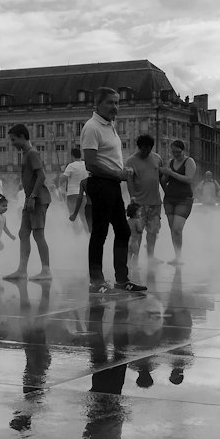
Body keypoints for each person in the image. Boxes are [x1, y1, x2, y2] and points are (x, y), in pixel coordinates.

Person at [80, 87, 146, 295]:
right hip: (100, 184)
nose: (115, 107)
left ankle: (121, 279)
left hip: (112, 184)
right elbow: (90, 164)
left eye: (117, 103)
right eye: (110, 102)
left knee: (123, 231)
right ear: (97, 104)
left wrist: (121, 172)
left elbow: (106, 158)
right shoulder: (92, 127)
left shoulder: (110, 126)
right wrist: (116, 174)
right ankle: (96, 281)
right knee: (100, 232)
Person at [3, 124, 52, 281]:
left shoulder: (31, 153)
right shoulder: (26, 154)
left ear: (22, 136)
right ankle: (22, 270)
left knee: (38, 234)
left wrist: (32, 197)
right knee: (23, 233)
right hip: (29, 198)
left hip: (37, 199)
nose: (12, 143)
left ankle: (46, 270)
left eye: (13, 139)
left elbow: (42, 176)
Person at [124, 133, 164, 266]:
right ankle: (134, 258)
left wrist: (168, 192)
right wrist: (132, 196)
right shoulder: (131, 161)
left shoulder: (157, 158)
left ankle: (150, 257)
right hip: (139, 203)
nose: (146, 151)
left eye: (149, 149)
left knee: (153, 231)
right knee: (137, 233)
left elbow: (162, 178)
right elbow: (129, 180)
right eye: (143, 149)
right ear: (139, 147)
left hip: (155, 202)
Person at [161, 139, 196, 265]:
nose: (175, 154)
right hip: (170, 198)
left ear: (183, 150)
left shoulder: (189, 161)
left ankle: (179, 257)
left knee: (177, 228)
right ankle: (177, 256)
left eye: (178, 152)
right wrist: (164, 175)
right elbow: (165, 180)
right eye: (173, 152)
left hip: (184, 199)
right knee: (172, 229)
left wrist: (171, 173)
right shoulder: (171, 162)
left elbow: (189, 179)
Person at [62, 146, 89, 231]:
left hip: (72, 194)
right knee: (84, 217)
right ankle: (88, 236)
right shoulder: (86, 165)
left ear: (72, 156)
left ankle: (76, 236)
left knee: (73, 216)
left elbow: (63, 179)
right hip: (83, 195)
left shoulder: (71, 166)